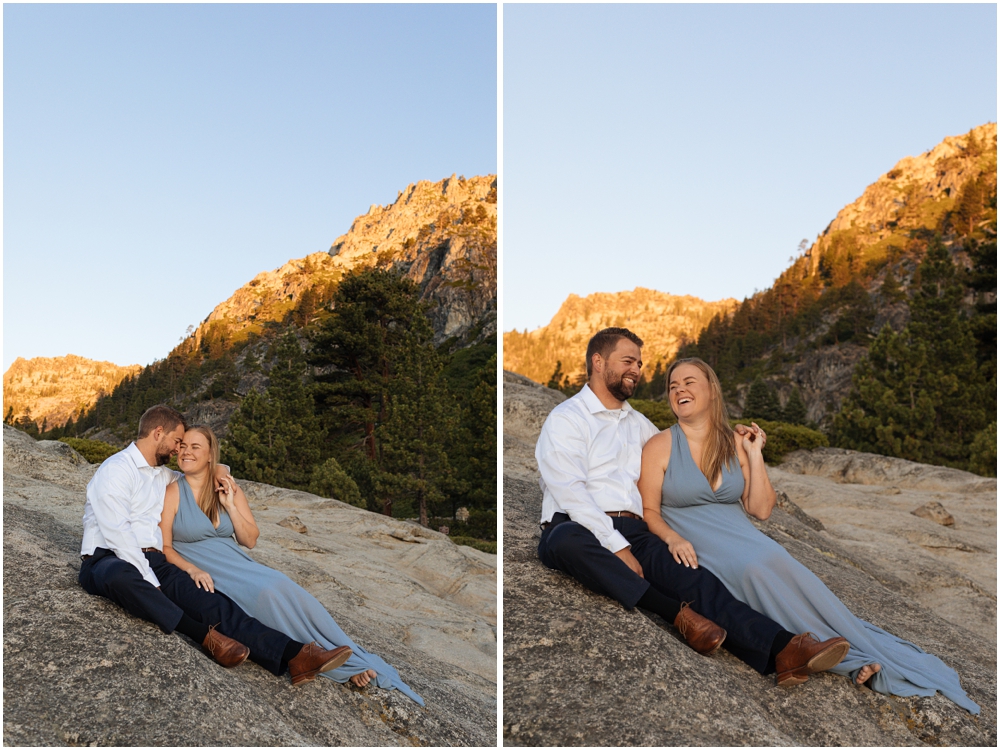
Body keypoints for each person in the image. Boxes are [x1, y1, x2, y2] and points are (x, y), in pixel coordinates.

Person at [638, 357, 980, 713]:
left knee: (783, 564)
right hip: (698, 541)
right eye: (673, 386)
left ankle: (845, 644)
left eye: (689, 382)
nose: (680, 390)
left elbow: (761, 509)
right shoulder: (659, 446)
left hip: (742, 533)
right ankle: (836, 656)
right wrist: (671, 538)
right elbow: (649, 511)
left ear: (711, 390)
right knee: (753, 571)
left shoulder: (734, 442)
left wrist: (755, 456)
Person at [536, 327, 850, 683]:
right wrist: (617, 547)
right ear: (597, 361)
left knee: (698, 582)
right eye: (628, 361)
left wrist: (741, 450)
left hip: (636, 531)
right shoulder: (566, 418)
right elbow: (571, 491)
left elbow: (682, 466)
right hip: (577, 526)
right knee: (565, 542)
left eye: (639, 363)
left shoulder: (642, 427)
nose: (636, 370)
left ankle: (785, 650)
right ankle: (677, 616)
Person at [79, 404, 353, 685]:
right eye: (177, 441)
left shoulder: (163, 475)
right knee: (122, 577)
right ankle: (204, 637)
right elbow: (117, 533)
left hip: (154, 561)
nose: (178, 450)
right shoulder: (116, 470)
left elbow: (201, 472)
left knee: (211, 602)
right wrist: (153, 582)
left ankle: (295, 656)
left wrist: (222, 471)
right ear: (158, 432)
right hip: (107, 559)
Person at [158, 424, 424, 705]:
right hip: (209, 570)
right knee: (269, 596)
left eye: (195, 447)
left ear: (210, 454)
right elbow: (165, 547)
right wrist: (192, 569)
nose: (186, 452)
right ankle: (340, 667)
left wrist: (231, 504)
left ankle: (348, 654)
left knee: (291, 591)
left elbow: (249, 539)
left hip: (239, 563)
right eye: (183, 446)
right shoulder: (173, 492)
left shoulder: (225, 486)